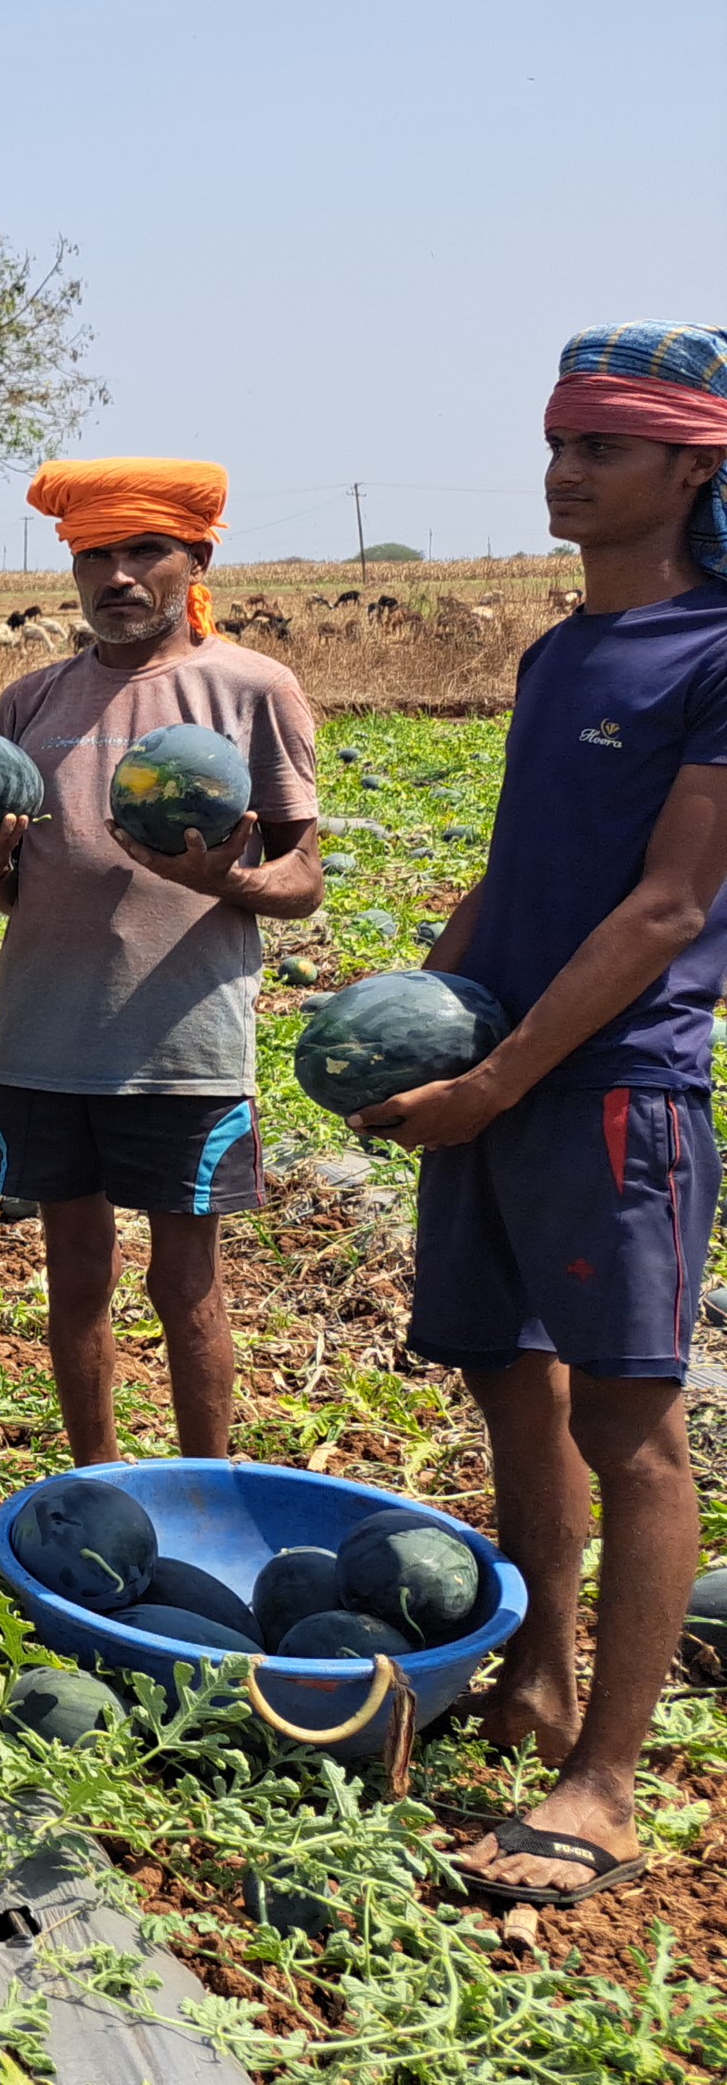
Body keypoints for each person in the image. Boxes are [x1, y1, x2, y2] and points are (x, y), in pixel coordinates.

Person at [363, 322, 727, 1910]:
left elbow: (664, 912)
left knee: (629, 1423)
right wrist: (406, 1020)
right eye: (559, 444)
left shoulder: (717, 652)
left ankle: (607, 1784)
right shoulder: (555, 653)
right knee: (509, 1376)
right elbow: (511, 874)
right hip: (501, 1073)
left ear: (693, 466)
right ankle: (544, 1671)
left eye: (601, 450)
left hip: (613, 1087)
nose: (564, 473)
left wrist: (504, 1078)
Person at [0, 460, 321, 1468]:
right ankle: (96, 1485)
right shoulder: (30, 699)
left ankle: (207, 1489)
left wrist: (224, 879)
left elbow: (304, 878)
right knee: (75, 1279)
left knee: (185, 1284)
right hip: (46, 1039)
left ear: (196, 561)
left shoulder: (251, 689)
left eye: (147, 551)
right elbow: (25, 888)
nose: (120, 576)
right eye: (96, 555)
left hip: (183, 1043)